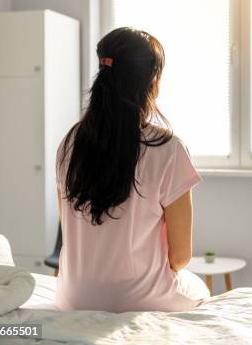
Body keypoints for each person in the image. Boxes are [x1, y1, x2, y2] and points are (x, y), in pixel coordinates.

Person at [55, 27, 209, 312]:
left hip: (72, 298)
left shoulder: (69, 144)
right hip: (140, 300)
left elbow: (69, 231)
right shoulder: (169, 148)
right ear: (153, 82)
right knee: (199, 286)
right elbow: (180, 257)